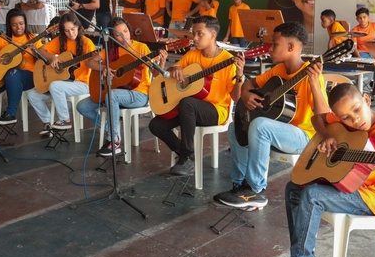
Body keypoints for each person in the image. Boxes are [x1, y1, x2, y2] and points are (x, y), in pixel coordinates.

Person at [259, 83, 375, 257]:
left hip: (374, 197)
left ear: (367, 100)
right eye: (345, 118)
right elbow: (318, 118)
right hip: (350, 185)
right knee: (293, 189)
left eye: (357, 110)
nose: (354, 120)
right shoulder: (345, 121)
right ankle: (305, 253)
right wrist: (327, 135)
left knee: (313, 195)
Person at [214, 22, 328, 209]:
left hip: (304, 135)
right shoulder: (279, 71)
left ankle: (256, 190)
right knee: (235, 127)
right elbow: (250, 83)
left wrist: (315, 84)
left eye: (275, 44)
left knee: (260, 125)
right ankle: (239, 184)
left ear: (291, 47)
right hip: (280, 129)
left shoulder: (311, 75)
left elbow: (324, 114)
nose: (270, 48)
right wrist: (246, 94)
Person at [149, 16, 242, 176]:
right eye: (193, 33)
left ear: (213, 35)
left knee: (187, 103)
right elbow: (176, 69)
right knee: (156, 125)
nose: (195, 38)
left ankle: (185, 158)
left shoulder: (227, 61)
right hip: (189, 110)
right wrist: (175, 68)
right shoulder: (193, 54)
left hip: (215, 110)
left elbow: (235, 98)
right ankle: (188, 153)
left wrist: (240, 77)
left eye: (200, 34)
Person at [76, 17, 166, 157]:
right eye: (118, 34)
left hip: (139, 94)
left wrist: (162, 62)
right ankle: (109, 128)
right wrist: (104, 67)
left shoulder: (141, 48)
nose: (124, 35)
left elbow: (155, 72)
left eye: (125, 31)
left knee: (112, 95)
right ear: (112, 36)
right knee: (82, 106)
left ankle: (114, 141)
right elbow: (90, 63)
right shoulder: (112, 50)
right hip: (117, 93)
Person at [28, 13, 96, 134]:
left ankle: (65, 119)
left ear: (79, 27)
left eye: (73, 29)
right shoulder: (61, 41)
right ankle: (47, 122)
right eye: (66, 31)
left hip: (82, 83)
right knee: (33, 94)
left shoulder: (87, 44)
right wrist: (52, 58)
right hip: (64, 82)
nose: (71, 33)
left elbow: (96, 61)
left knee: (55, 86)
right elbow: (40, 50)